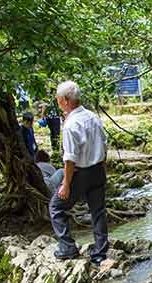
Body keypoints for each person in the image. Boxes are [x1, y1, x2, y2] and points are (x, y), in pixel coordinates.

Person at [49, 80, 109, 264]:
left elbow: (70, 159)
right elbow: (104, 144)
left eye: (58, 99)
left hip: (80, 172)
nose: (58, 102)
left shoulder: (70, 124)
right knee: (98, 211)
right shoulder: (92, 117)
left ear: (65, 100)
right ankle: (100, 253)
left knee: (56, 207)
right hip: (98, 169)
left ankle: (67, 247)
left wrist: (66, 185)